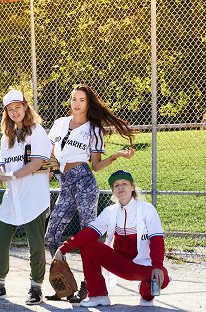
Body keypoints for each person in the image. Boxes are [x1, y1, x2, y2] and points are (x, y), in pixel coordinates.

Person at [45, 83, 135, 302]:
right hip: (65, 183)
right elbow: (50, 157)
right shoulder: (59, 124)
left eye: (81, 100)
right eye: (73, 99)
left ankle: (90, 284)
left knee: (88, 238)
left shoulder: (94, 129)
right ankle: (66, 284)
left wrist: (116, 156)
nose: (76, 104)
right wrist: (44, 184)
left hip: (84, 183)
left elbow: (95, 166)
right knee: (51, 236)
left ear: (88, 104)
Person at [0, 89, 52, 305]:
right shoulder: (8, 136)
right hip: (12, 196)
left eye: (18, 107)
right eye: (10, 109)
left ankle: (36, 287)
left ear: (26, 107)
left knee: (35, 244)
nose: (14, 111)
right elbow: (3, 164)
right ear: (6, 112)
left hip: (33, 196)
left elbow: (36, 163)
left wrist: (10, 176)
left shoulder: (37, 131)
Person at [53, 170, 170, 307]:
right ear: (113, 191)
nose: (120, 187)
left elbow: (157, 240)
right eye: (116, 185)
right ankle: (98, 296)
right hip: (118, 263)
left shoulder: (147, 209)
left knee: (163, 278)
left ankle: (146, 292)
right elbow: (89, 233)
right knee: (87, 244)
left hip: (141, 265)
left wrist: (157, 266)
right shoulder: (110, 211)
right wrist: (63, 249)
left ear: (132, 187)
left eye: (124, 183)